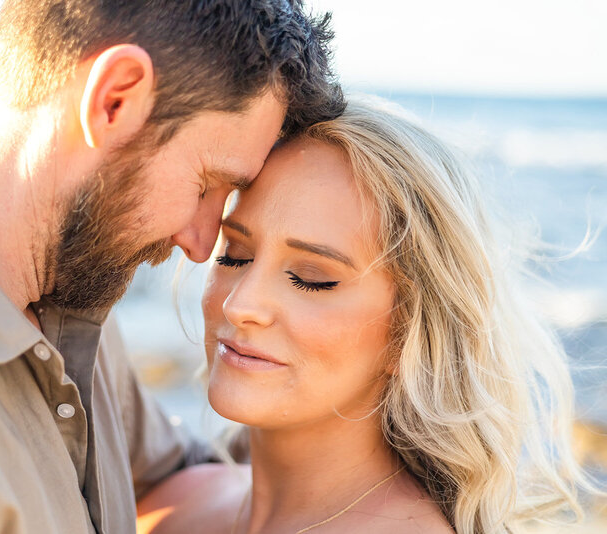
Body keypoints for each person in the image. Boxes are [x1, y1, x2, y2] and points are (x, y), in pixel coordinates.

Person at [0, 1, 343, 532]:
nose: (201, 244)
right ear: (114, 99)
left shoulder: (65, 297)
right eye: (206, 185)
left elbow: (168, 477)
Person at [137, 98, 592, 534]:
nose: (240, 305)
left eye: (311, 279)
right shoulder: (174, 503)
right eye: (235, 255)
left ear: (409, 333)